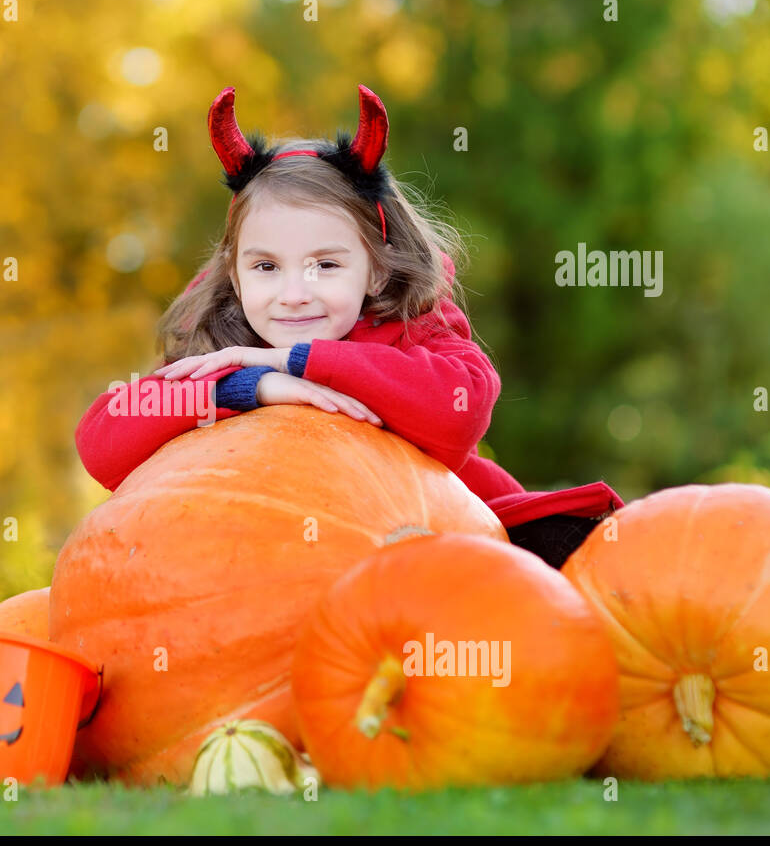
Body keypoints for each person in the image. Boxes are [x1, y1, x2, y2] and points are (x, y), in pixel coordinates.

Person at [75, 84, 623, 568]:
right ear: (236, 278)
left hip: (427, 547)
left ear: (377, 268)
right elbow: (101, 442)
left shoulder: (410, 324)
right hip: (265, 562)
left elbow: (461, 410)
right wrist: (253, 385)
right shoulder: (224, 345)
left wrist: (296, 360)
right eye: (266, 267)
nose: (293, 294)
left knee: (574, 570)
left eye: (325, 265)